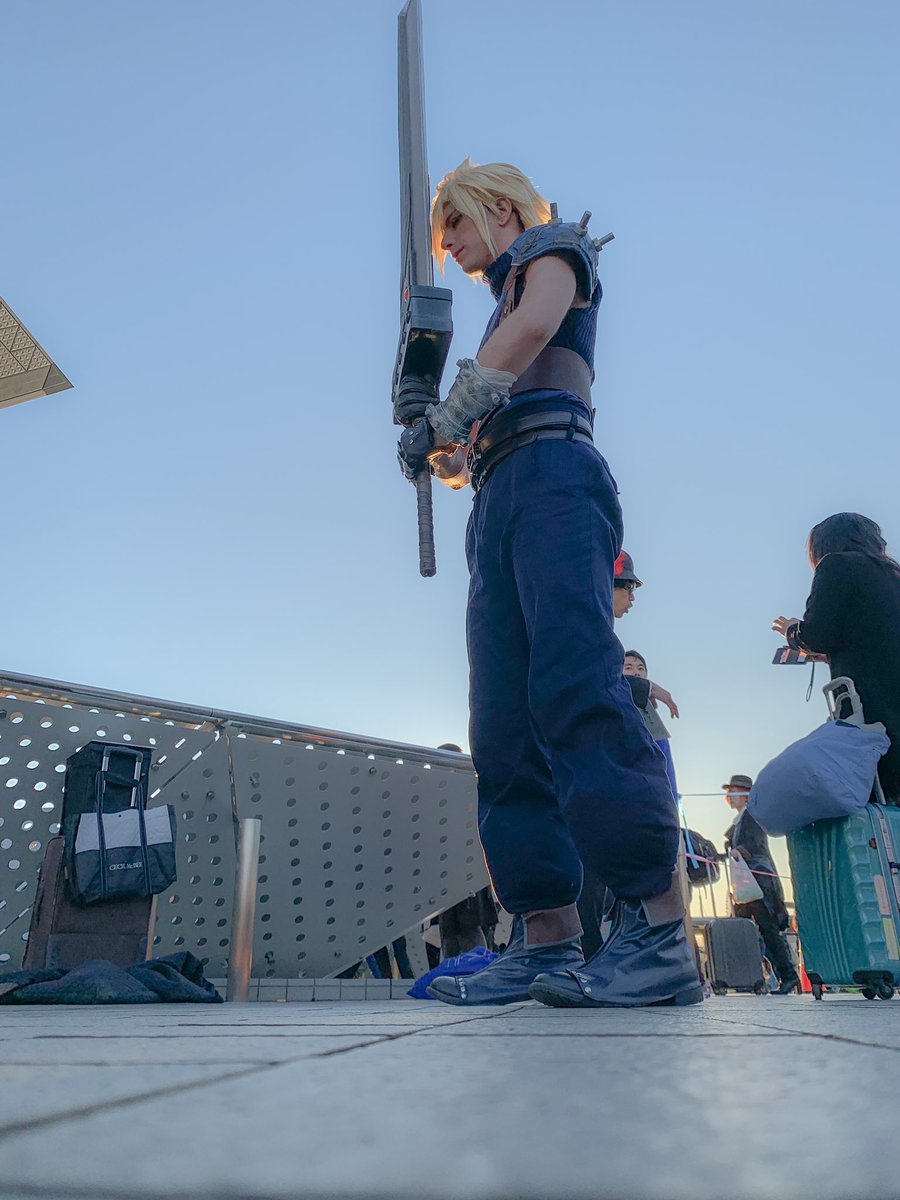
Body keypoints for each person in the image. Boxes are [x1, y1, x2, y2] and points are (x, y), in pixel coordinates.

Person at [393, 159, 700, 1008]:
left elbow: (533, 329)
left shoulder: (553, 252)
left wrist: (446, 412)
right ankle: (545, 934)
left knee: (575, 689)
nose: (451, 245)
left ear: (497, 207)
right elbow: (463, 453)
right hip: (498, 496)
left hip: (556, 477)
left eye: (455, 224)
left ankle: (659, 931)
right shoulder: (501, 307)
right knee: (502, 725)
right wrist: (429, 436)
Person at [773, 512, 900, 801]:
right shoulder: (892, 576)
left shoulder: (836, 565)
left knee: (873, 796)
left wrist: (793, 631)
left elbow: (816, 634)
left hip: (870, 710)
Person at [723, 774, 798, 994]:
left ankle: (786, 975)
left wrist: (738, 851)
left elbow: (755, 845)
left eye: (734, 792)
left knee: (767, 929)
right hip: (749, 882)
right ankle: (759, 977)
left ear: (746, 795)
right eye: (729, 793)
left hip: (758, 882)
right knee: (752, 929)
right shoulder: (741, 820)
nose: (730, 796)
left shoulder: (751, 817)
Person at [435, 743, 500, 958]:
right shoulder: (471, 790)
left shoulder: (460, 792)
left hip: (463, 875)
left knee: (466, 929)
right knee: (457, 931)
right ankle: (467, 969)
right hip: (464, 874)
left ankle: (471, 968)